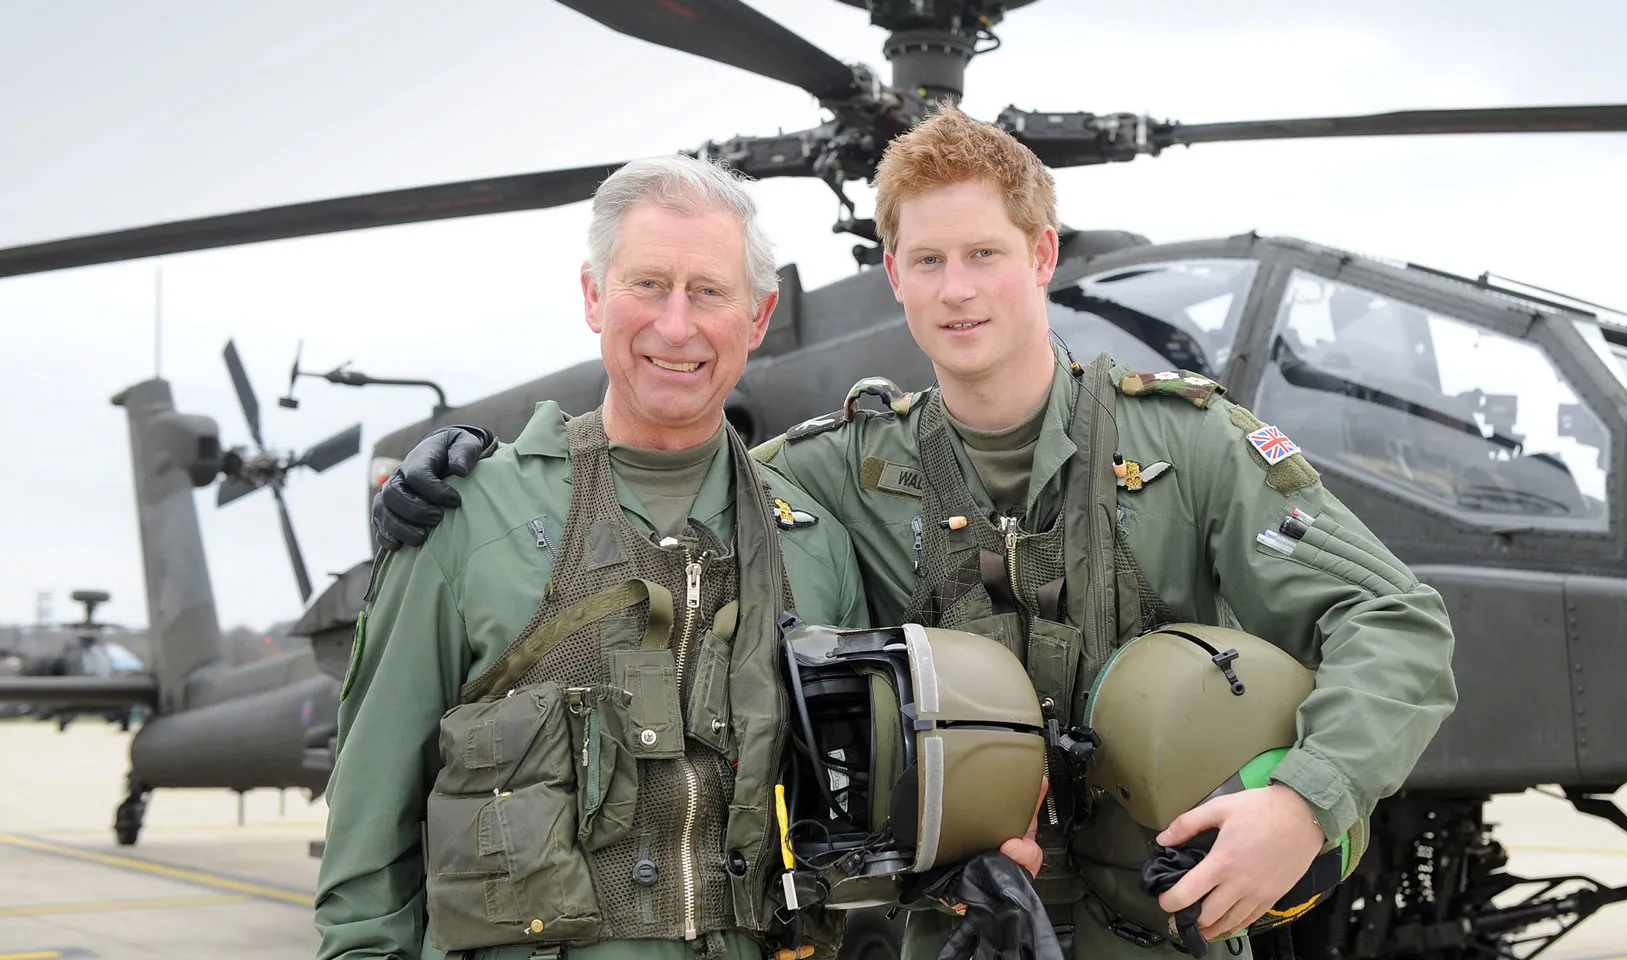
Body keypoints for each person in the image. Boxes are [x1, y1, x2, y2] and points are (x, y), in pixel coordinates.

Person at [375, 106, 1458, 958]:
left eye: (984, 255)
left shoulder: (1193, 449)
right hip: (946, 939)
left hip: (1160, 935)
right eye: (927, 262)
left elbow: (1396, 622)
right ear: (892, 275)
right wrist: (471, 467)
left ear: (1043, 256)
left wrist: (1305, 804)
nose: (957, 290)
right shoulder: (833, 472)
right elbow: (665, 474)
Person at [315, 154, 871, 960]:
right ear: (592, 296)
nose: (676, 326)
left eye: (710, 292)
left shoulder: (813, 545)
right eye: (647, 284)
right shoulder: (468, 521)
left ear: (758, 316)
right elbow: (369, 835)